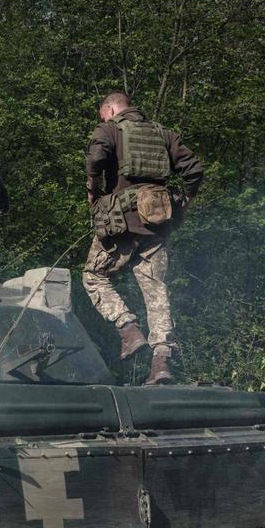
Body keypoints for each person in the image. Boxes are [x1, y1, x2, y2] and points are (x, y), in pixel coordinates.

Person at [83, 91, 204, 385]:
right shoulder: (164, 134)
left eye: (103, 114)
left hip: (121, 223)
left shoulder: (110, 129)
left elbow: (96, 157)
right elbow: (194, 170)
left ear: (110, 110)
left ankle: (129, 331)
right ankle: (161, 364)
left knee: (93, 275)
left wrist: (92, 187)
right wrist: (184, 202)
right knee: (156, 292)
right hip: (158, 224)